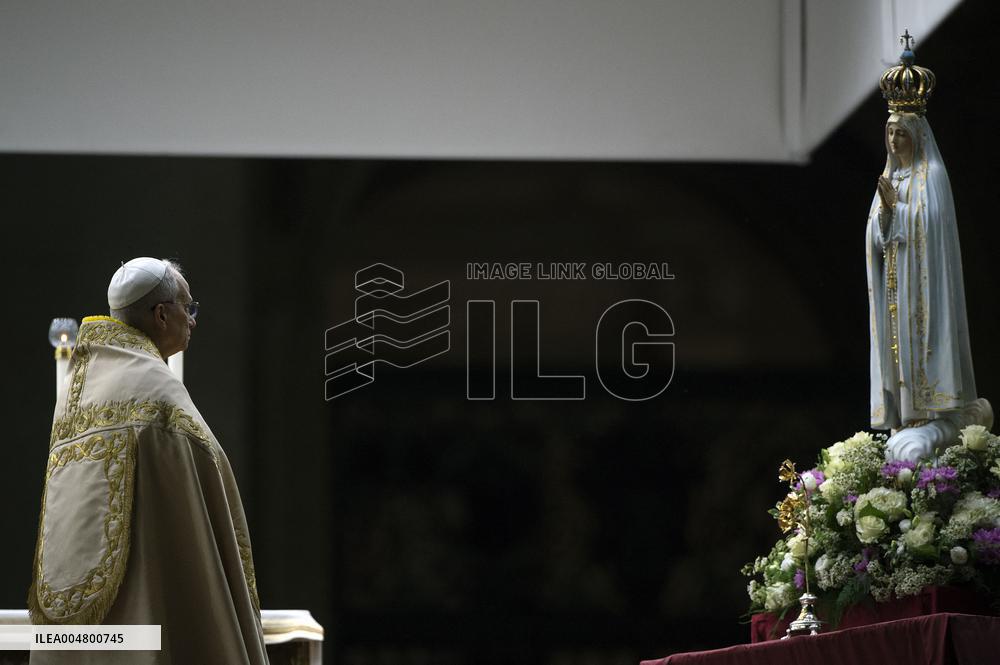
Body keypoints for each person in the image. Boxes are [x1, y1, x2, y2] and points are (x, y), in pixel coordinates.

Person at [29, 257, 269, 664]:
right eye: (187, 308)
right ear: (161, 314)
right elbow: (196, 522)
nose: (192, 320)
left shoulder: (74, 393)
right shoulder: (158, 394)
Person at [866, 48, 977, 432]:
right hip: (894, 285)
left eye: (901, 133)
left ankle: (928, 414)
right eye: (890, 133)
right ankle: (903, 417)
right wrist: (884, 215)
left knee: (920, 341)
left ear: (916, 135)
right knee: (896, 348)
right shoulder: (890, 177)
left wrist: (900, 211)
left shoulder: (930, 175)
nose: (895, 141)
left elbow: (932, 225)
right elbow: (874, 237)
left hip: (922, 283)